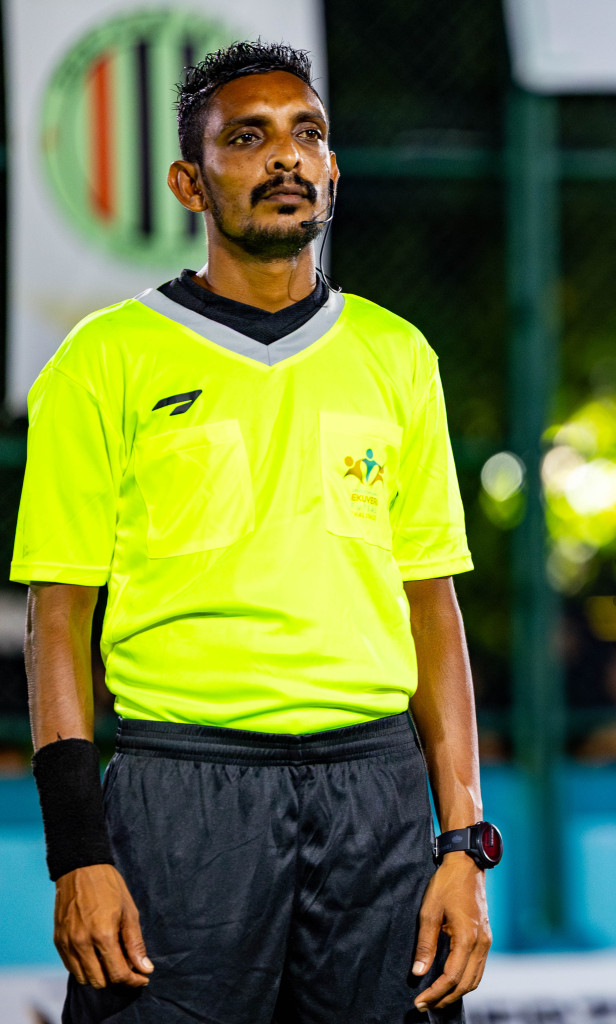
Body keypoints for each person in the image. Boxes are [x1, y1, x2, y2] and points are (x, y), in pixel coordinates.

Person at [15, 42, 496, 1023]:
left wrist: (463, 844)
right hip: (181, 789)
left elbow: (431, 607)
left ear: (332, 169)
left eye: (307, 134)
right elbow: (56, 618)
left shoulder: (397, 355)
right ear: (189, 180)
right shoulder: (103, 359)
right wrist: (79, 853)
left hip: (376, 792)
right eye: (249, 137)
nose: (286, 157)